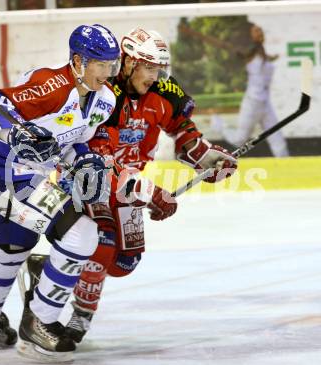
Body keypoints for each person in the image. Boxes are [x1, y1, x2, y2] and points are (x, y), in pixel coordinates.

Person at [24, 27, 238, 345]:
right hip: (90, 178)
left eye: (158, 68)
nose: (154, 75)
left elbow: (184, 132)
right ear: (127, 63)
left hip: (129, 184)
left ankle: (52, 267)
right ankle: (77, 319)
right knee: (103, 241)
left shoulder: (165, 92)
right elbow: (102, 161)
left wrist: (207, 158)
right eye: (148, 67)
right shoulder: (104, 96)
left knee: (125, 263)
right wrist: (151, 192)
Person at [0, 24, 121, 362]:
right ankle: (39, 323)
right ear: (77, 61)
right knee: (80, 234)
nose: (107, 72)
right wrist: (12, 133)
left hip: (27, 173)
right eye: (100, 64)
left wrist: (83, 157)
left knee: (15, 243)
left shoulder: (104, 100)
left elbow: (73, 141)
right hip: (1, 171)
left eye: (112, 65)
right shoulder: (52, 85)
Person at [180, 22, 289, 157]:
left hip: (265, 102)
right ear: (250, 36)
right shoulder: (248, 53)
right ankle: (218, 124)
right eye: (256, 31)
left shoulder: (265, 54)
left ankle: (286, 161)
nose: (259, 33)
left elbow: (271, 59)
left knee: (276, 135)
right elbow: (221, 44)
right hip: (252, 102)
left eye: (260, 30)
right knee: (239, 139)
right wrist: (194, 33)